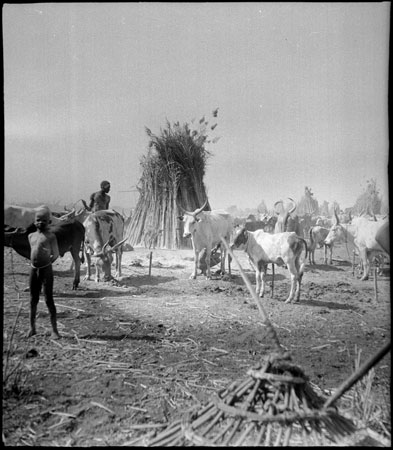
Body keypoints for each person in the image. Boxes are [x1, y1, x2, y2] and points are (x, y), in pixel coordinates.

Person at [28, 207, 60, 339]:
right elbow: (33, 251)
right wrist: (35, 265)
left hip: (46, 270)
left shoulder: (51, 237)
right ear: (34, 221)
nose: (41, 223)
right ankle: (32, 328)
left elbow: (56, 254)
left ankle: (55, 331)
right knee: (32, 299)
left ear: (49, 222)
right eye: (38, 220)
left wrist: (46, 264)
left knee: (48, 299)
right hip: (33, 269)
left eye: (44, 221)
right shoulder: (31, 236)